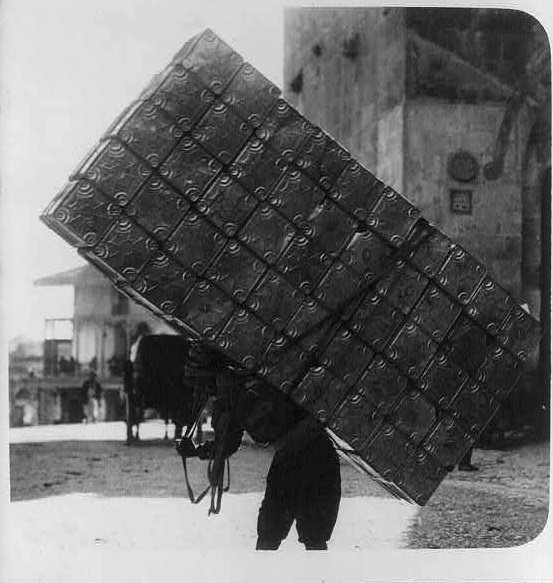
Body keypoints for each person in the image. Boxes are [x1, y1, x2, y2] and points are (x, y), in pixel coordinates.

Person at [176, 346, 341, 551]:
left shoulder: (249, 388)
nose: (205, 391)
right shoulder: (233, 396)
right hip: (290, 459)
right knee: (271, 531)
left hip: (315, 458)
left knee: (309, 535)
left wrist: (197, 450)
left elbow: (226, 443)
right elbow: (226, 444)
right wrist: (196, 451)